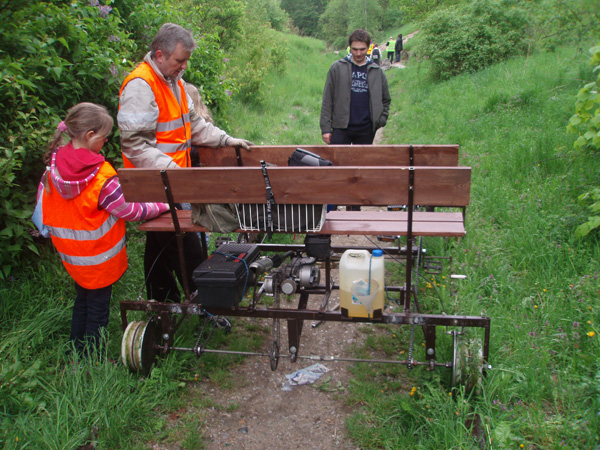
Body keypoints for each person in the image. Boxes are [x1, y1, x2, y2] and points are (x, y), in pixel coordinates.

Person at [118, 23, 252, 303]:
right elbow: (134, 146)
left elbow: (196, 126)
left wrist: (226, 140)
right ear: (159, 55)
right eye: (180, 60)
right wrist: (174, 171)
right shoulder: (141, 87)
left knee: (161, 244)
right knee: (183, 243)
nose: (184, 66)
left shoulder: (174, 83)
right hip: (156, 183)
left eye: (186, 59)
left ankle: (164, 302)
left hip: (173, 182)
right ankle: (204, 298)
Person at [39, 103, 170, 356]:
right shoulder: (100, 176)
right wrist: (162, 205)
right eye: (104, 137)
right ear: (90, 136)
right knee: (98, 309)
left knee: (83, 302)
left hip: (72, 256)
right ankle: (93, 359)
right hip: (99, 258)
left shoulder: (54, 164)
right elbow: (131, 211)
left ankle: (76, 350)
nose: (106, 141)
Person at [320, 28, 391, 146]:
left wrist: (380, 120)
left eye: (362, 49)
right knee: (337, 163)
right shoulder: (337, 68)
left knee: (362, 164)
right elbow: (327, 99)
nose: (358, 53)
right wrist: (325, 128)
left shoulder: (377, 71)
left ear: (369, 47)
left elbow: (386, 99)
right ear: (350, 47)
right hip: (340, 127)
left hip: (366, 129)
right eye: (355, 49)